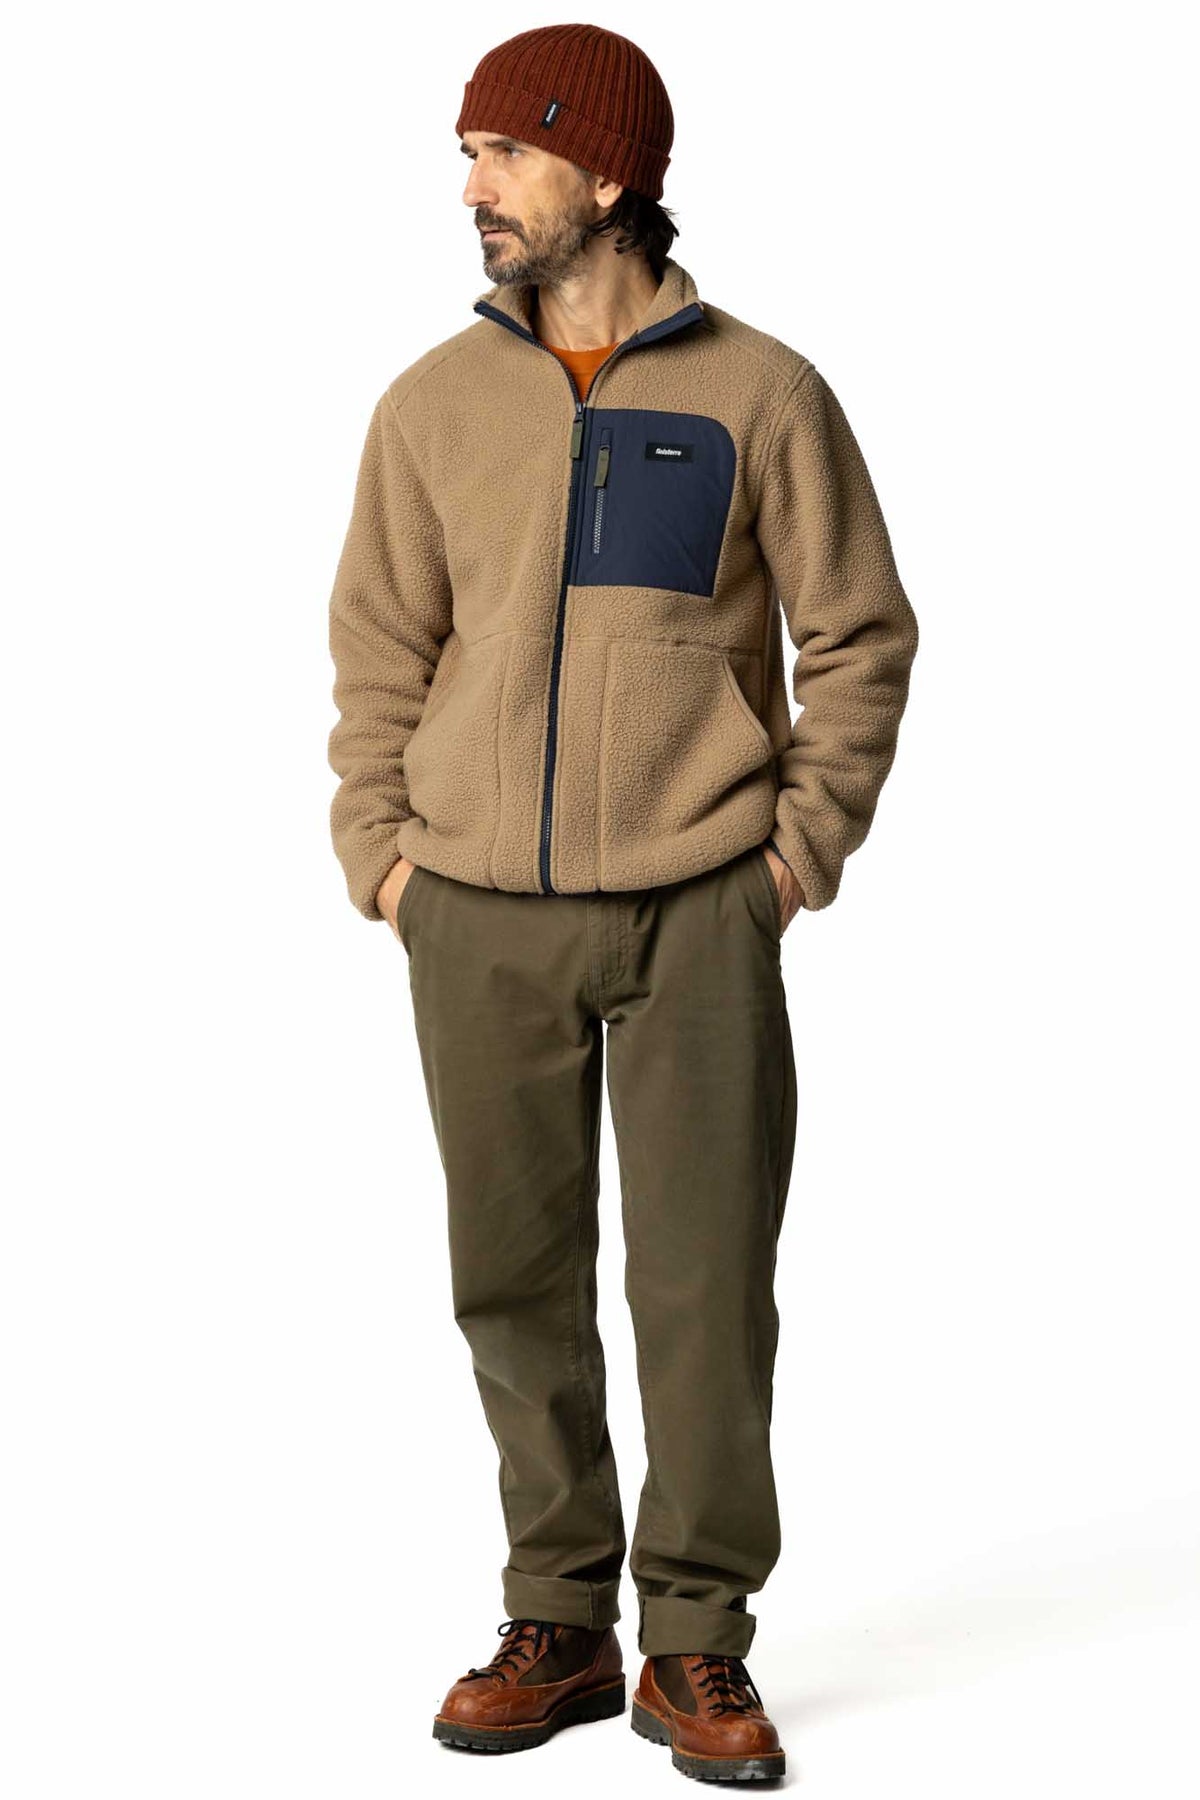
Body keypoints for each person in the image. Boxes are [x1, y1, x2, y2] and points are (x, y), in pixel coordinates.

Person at [326, 22, 919, 1784]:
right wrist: (385, 854)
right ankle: (558, 1617)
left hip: (699, 910)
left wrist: (794, 851)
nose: (474, 186)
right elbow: (379, 647)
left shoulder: (765, 395)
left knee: (705, 1288)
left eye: (504, 152)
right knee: (511, 1281)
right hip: (474, 909)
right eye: (469, 154)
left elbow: (858, 636)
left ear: (608, 172)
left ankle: (698, 1638)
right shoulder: (431, 404)